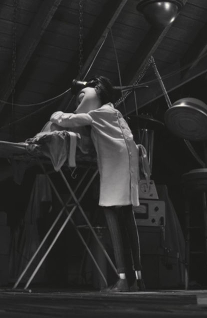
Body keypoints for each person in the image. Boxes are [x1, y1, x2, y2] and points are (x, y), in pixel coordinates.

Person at [49, 76, 144, 292]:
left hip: (116, 166)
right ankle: (138, 279)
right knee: (128, 218)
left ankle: (122, 280)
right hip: (127, 166)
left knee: (111, 214)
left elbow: (70, 120)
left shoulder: (98, 114)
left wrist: (55, 115)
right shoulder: (115, 112)